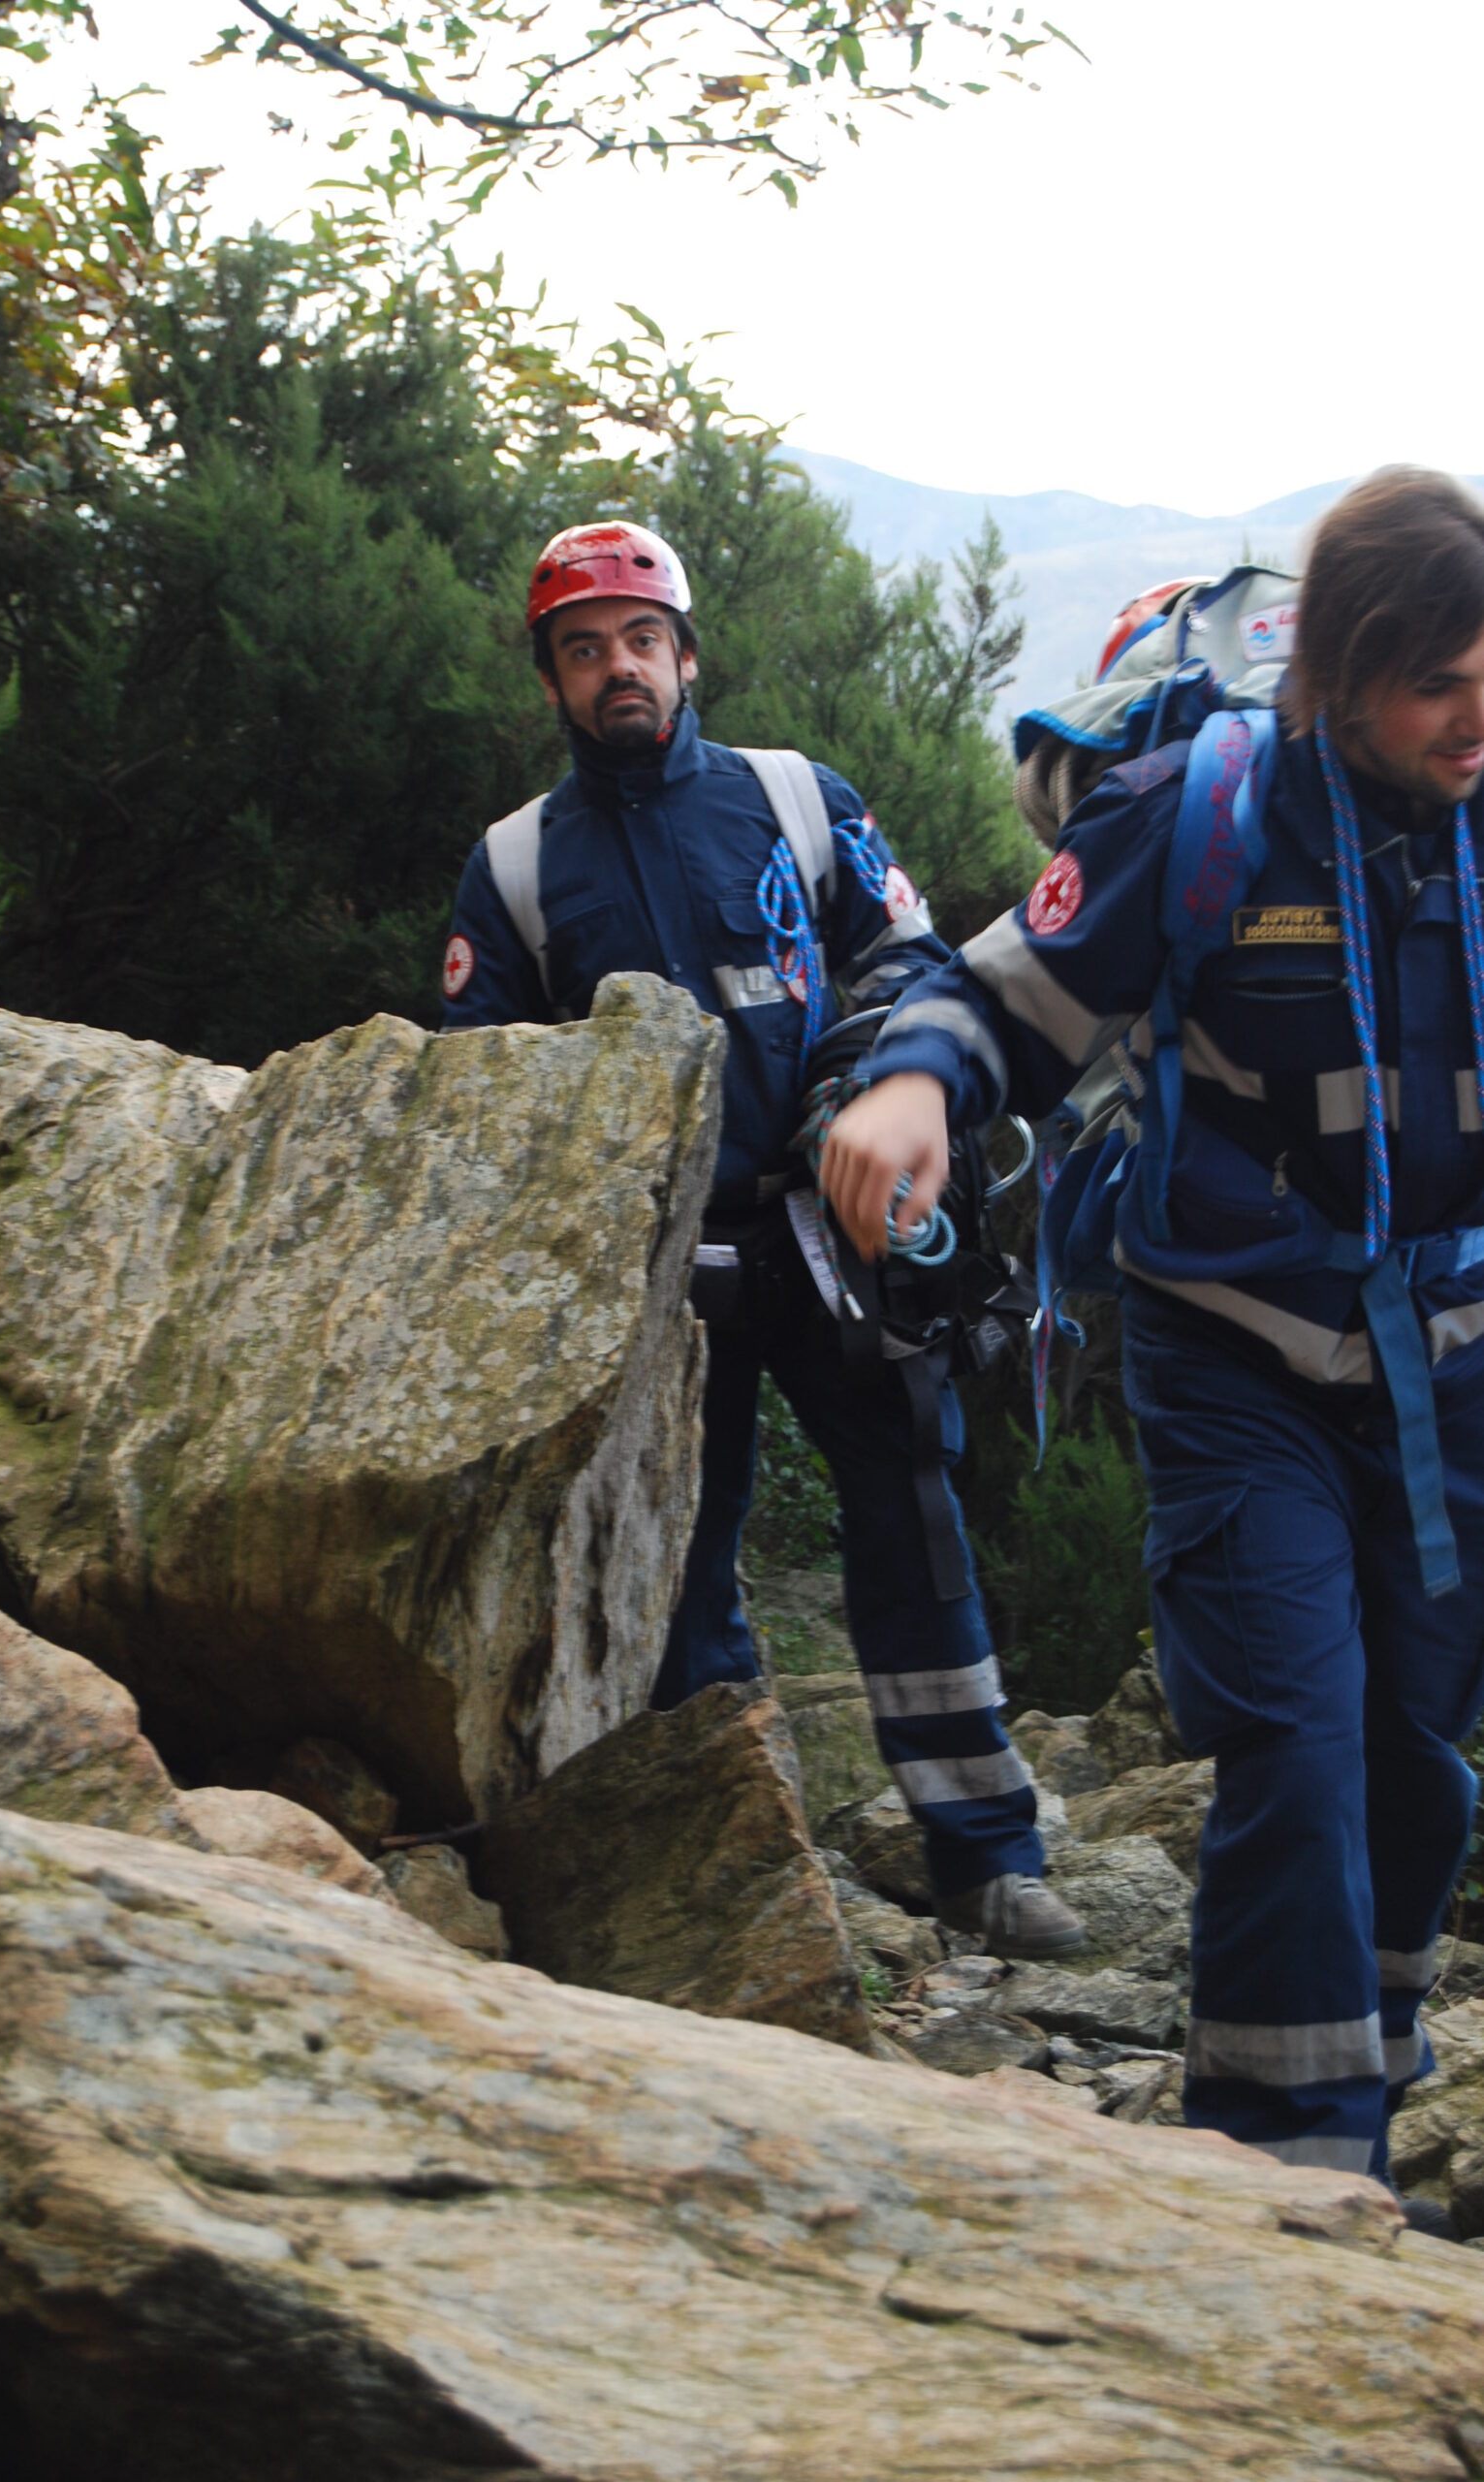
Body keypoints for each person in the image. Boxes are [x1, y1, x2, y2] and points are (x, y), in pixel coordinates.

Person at [821, 466, 1484, 2198]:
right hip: (1234, 1357)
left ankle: (1371, 2049)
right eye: (1436, 687)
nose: (1474, 718)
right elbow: (995, 999)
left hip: (1452, 1363)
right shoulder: (1202, 811)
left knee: (1416, 1750)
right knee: (1295, 1738)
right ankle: (1277, 2176)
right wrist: (906, 1090)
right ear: (1335, 680)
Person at [442, 518, 1085, 1959]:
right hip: (659, 1275)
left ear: (685, 653)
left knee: (911, 1530)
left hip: (826, 1232)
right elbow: (474, 1077)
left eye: (640, 640)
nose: (620, 668)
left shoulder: (795, 801)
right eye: (585, 648)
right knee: (682, 1567)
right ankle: (745, 1865)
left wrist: (860, 1091)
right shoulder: (516, 870)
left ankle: (986, 1858)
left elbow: (908, 958)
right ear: (551, 678)